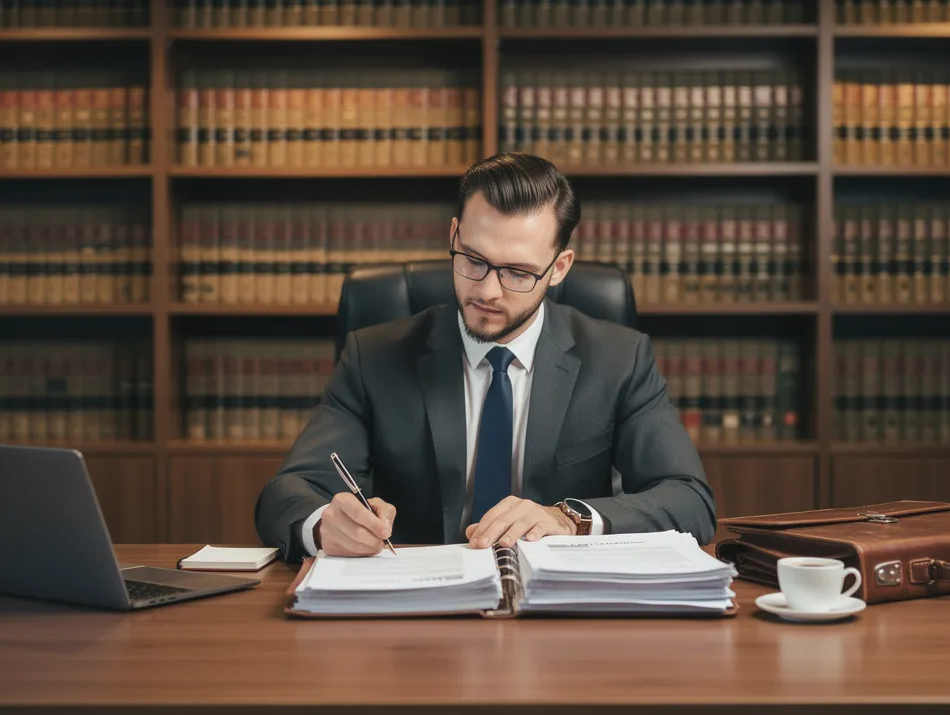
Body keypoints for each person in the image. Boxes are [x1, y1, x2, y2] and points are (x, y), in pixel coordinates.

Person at [254, 152, 716, 559]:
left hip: (561, 619)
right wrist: (322, 524)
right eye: (473, 260)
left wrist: (570, 517)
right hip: (416, 608)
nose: (488, 291)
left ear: (559, 268)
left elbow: (690, 500)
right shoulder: (374, 356)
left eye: (517, 272)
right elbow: (286, 494)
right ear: (454, 234)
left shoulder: (619, 358)